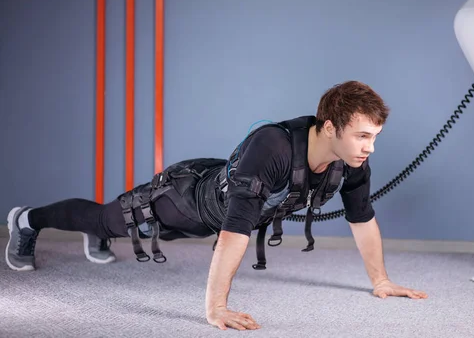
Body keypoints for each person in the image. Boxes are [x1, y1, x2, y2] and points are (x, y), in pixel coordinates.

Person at [4, 80, 428, 331]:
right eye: (363, 136)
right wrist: (216, 308)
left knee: (128, 230)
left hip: (220, 207)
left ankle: (97, 232)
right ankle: (27, 219)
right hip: (185, 201)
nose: (370, 148)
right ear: (331, 127)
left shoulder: (350, 162)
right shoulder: (274, 146)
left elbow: (362, 219)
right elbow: (233, 233)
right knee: (108, 220)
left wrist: (381, 280)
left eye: (375, 138)